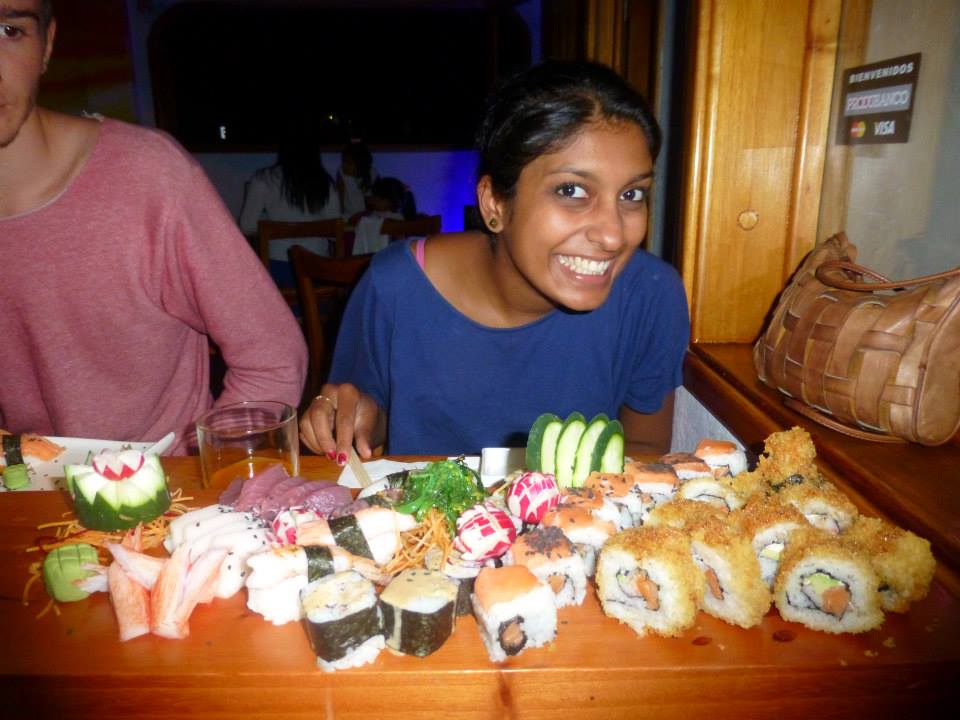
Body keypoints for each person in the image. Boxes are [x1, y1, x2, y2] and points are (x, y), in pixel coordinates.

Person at [300, 60, 689, 462]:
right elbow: (368, 425)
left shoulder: (651, 294)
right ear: (494, 203)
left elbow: (645, 449)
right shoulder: (394, 286)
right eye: (571, 190)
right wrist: (352, 419)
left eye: (632, 195)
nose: (613, 235)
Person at [0, 0, 307, 454]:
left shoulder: (150, 175)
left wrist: (206, 472)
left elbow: (271, 359)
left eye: (8, 30)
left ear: (46, 45)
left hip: (164, 483)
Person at [238, 114, 341, 286]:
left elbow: (246, 226)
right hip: (317, 268)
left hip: (278, 267)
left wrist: (268, 221)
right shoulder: (325, 182)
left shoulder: (264, 179)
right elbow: (334, 230)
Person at [350, 176, 420, 255]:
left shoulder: (395, 220)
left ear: (385, 201)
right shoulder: (374, 214)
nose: (371, 199)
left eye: (374, 196)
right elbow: (352, 220)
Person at [336, 139, 378, 219]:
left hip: (366, 217)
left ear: (360, 163)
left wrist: (364, 216)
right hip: (347, 216)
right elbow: (340, 197)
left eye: (348, 162)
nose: (344, 165)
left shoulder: (372, 173)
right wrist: (340, 216)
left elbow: (373, 201)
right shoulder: (341, 172)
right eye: (343, 161)